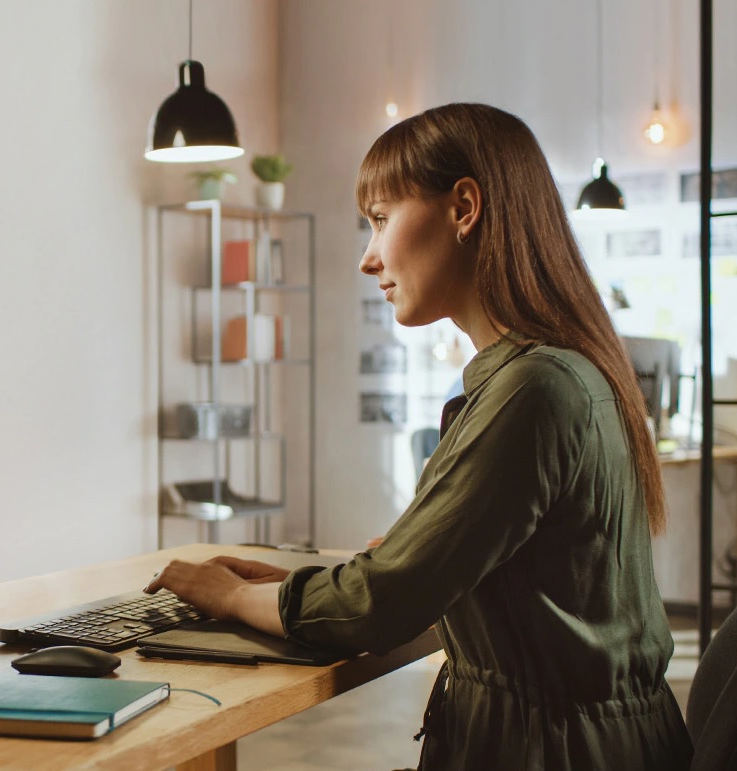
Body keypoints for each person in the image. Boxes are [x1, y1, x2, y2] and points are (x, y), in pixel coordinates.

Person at [145, 103, 693, 770]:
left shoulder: (533, 389)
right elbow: (446, 574)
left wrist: (229, 594)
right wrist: (329, 580)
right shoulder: (558, 372)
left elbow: (379, 604)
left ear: (463, 208)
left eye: (379, 219)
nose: (366, 258)